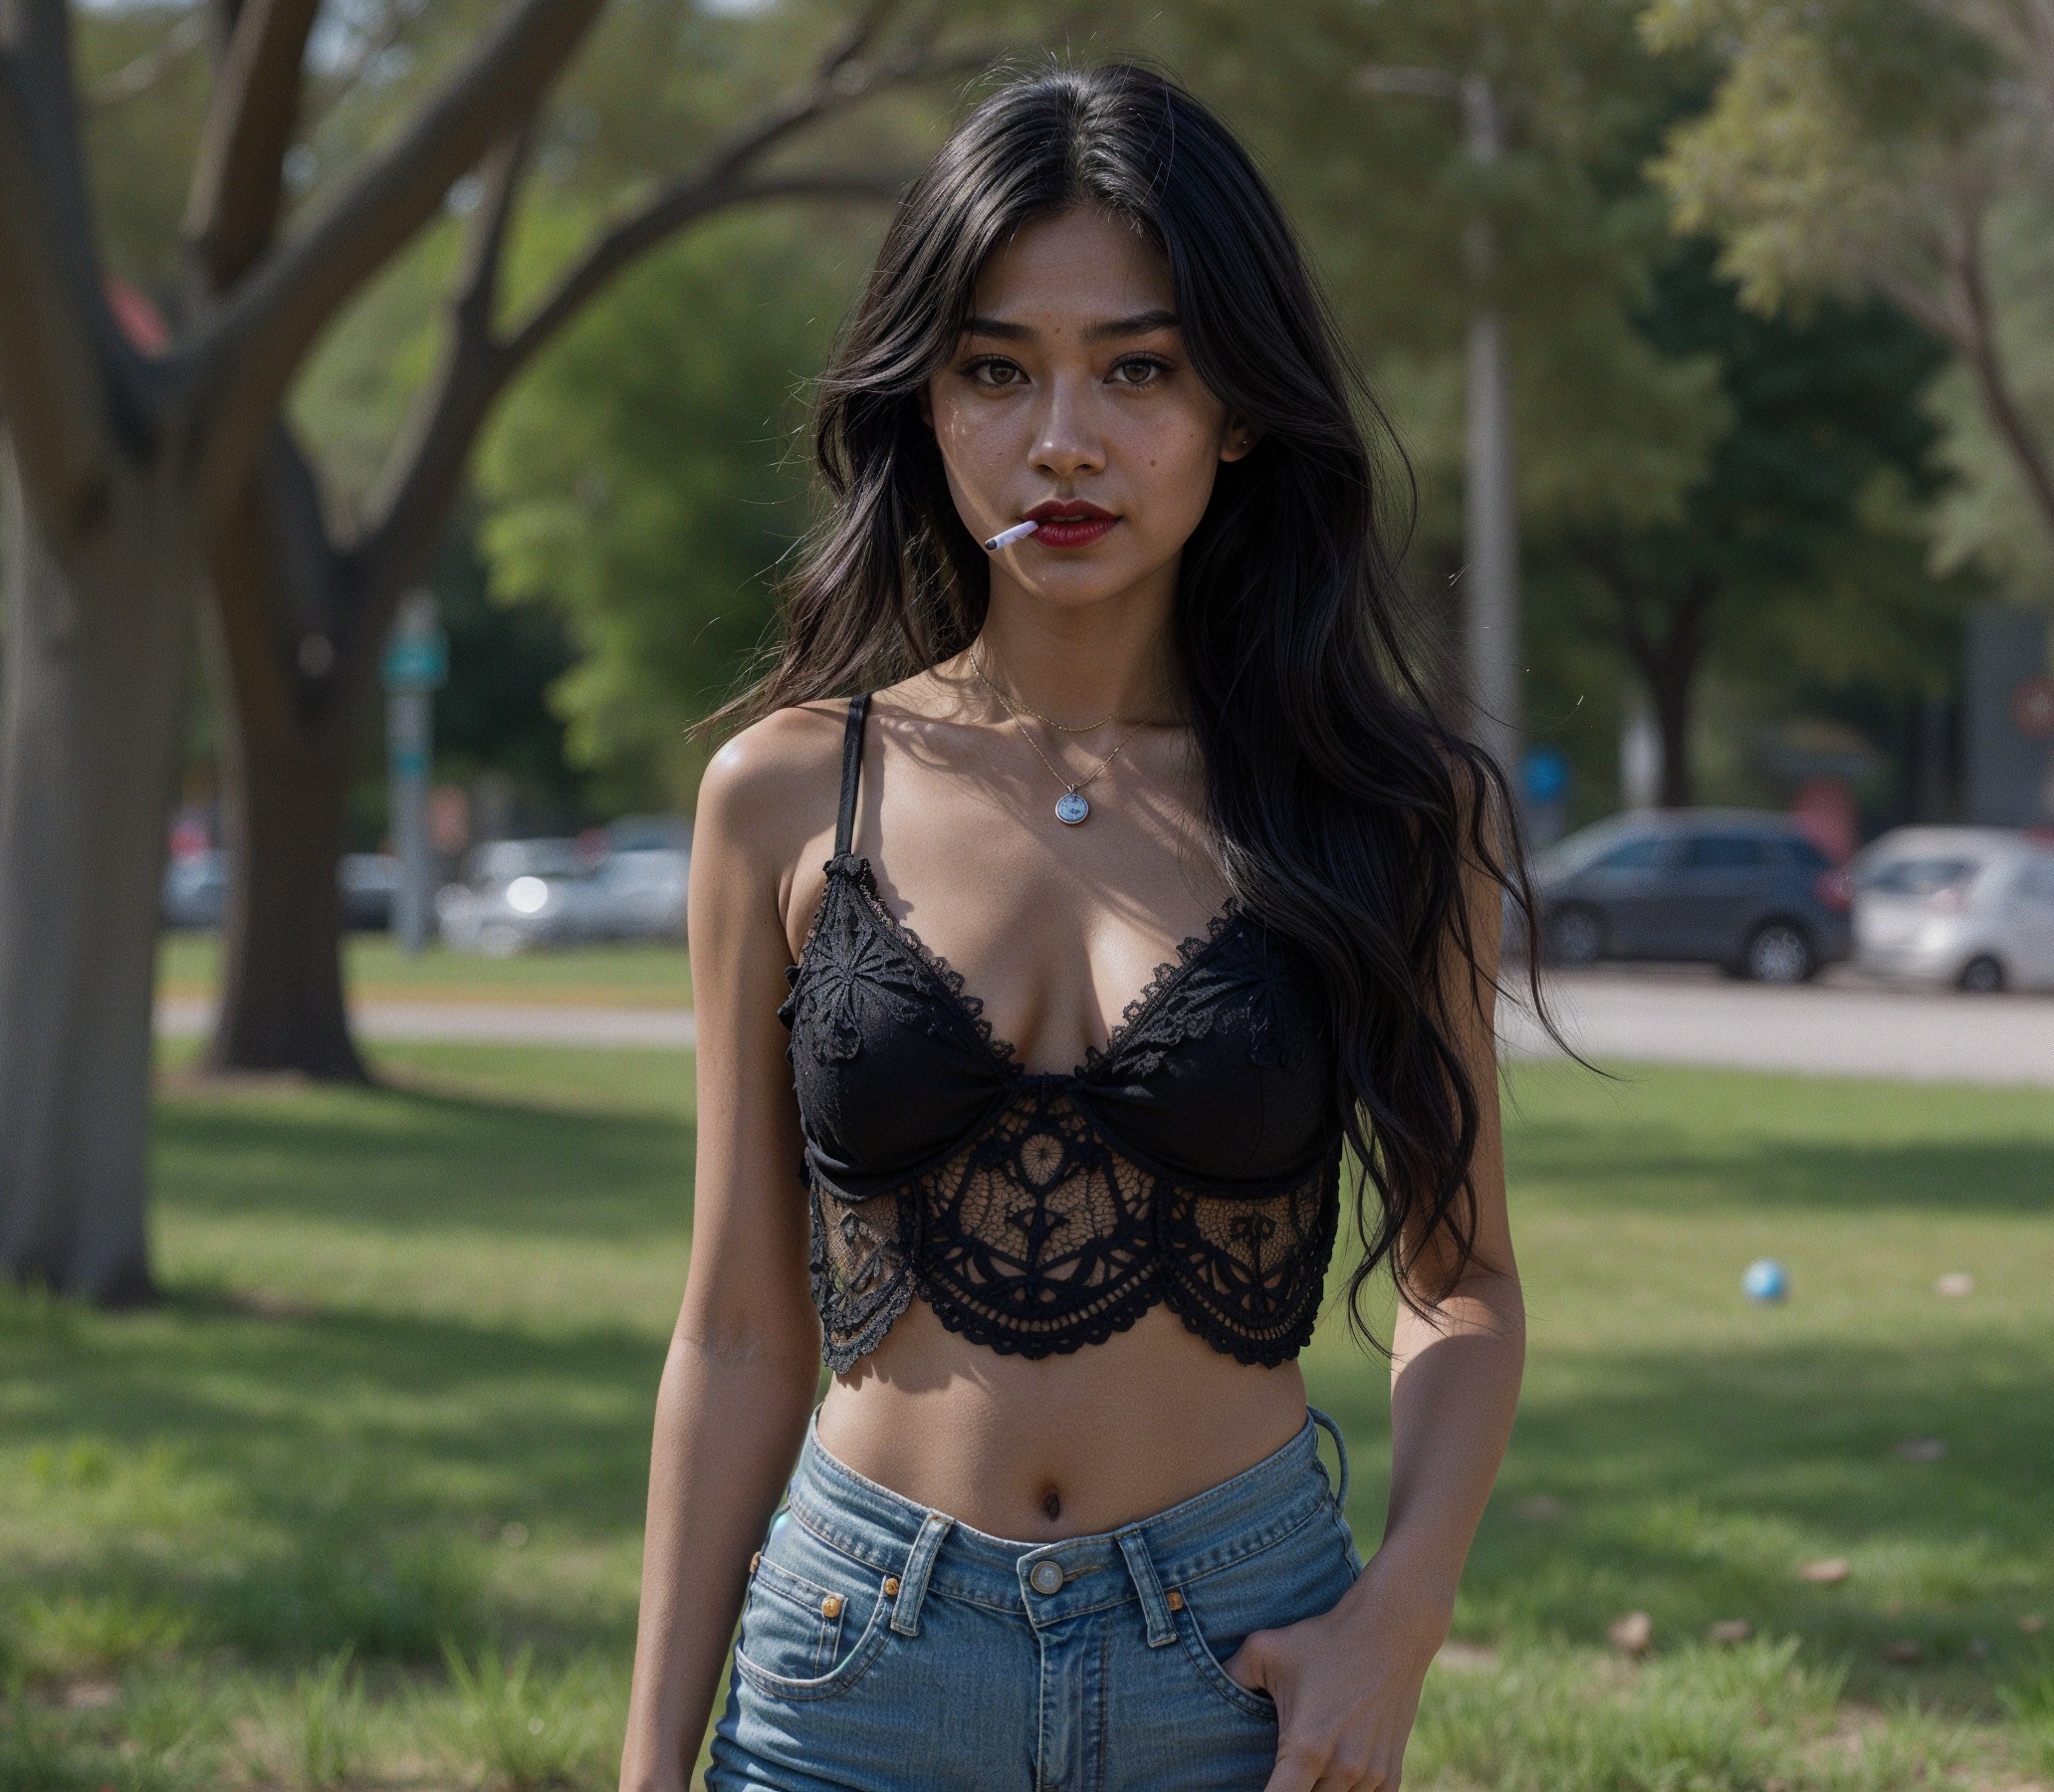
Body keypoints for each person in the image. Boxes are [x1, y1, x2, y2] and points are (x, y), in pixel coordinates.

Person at [619, 60, 1537, 1792]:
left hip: (1245, 1663)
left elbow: (1461, 1278)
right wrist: (650, 1766)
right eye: (993, 370)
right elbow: (738, 1328)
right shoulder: (781, 797)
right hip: (853, 1666)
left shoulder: (1392, 815)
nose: (1063, 439)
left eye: (1140, 368)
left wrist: (1397, 1622)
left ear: (1240, 409)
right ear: (925, 402)